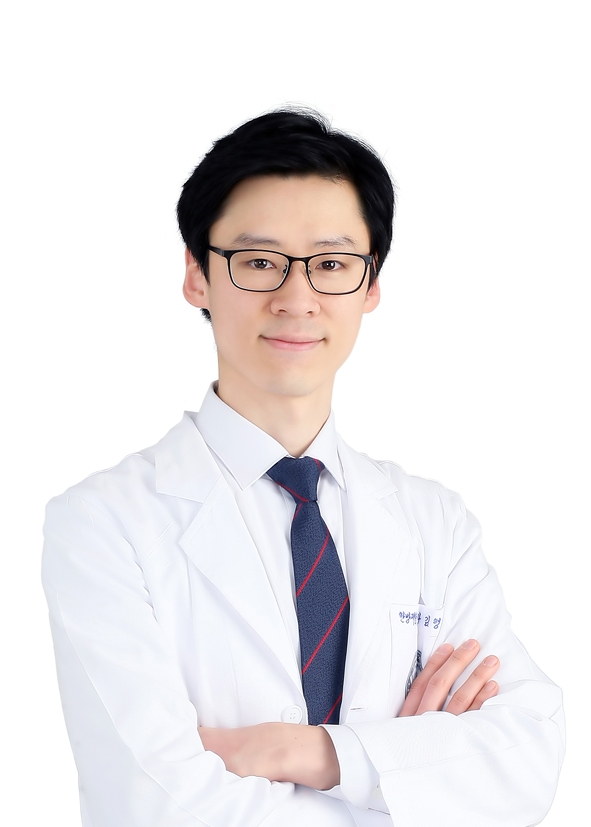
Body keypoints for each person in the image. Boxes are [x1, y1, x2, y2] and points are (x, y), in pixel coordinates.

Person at [42, 108, 565, 827]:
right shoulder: (102, 523)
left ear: (370, 285)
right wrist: (408, 773)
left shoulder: (435, 524)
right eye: (259, 261)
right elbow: (158, 804)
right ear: (197, 275)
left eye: (332, 264)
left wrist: (308, 752)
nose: (296, 298)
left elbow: (527, 761)